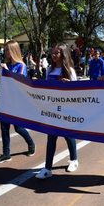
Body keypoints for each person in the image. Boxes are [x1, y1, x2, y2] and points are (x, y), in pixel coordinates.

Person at [35, 43, 79, 179]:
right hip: (53, 109)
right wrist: (37, 83)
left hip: (66, 110)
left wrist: (69, 86)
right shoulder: (49, 70)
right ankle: (48, 168)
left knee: (68, 135)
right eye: (52, 53)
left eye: (56, 53)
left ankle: (73, 160)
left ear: (63, 54)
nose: (53, 55)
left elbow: (77, 92)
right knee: (51, 137)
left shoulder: (70, 71)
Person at [0, 41, 36, 164]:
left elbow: (19, 82)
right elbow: (4, 83)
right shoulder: (6, 65)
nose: (6, 52)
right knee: (4, 128)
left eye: (8, 50)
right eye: (5, 50)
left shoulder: (21, 65)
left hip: (17, 102)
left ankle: (31, 143)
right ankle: (6, 154)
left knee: (18, 128)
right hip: (5, 101)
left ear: (14, 51)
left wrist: (7, 71)